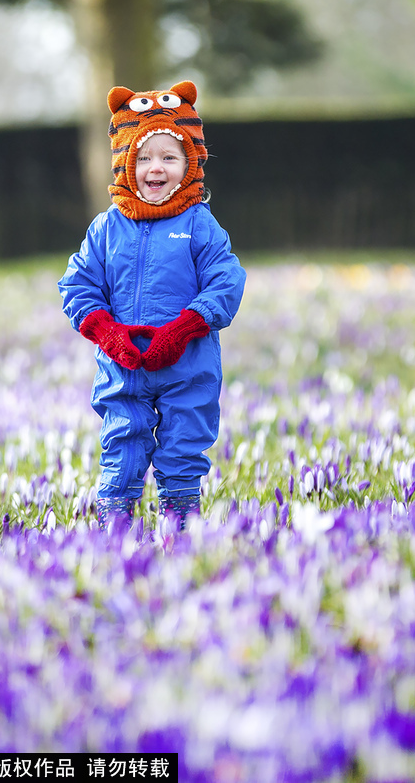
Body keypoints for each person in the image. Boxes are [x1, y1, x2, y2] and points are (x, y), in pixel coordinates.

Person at [58, 81, 246, 531]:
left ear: (190, 163)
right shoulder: (107, 228)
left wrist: (184, 328)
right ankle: (116, 519)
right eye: (143, 158)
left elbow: (226, 279)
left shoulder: (200, 223)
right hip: (124, 365)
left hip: (189, 362)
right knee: (122, 437)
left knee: (185, 439)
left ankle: (180, 514)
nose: (155, 168)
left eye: (169, 157)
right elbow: (77, 284)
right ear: (125, 163)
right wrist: (106, 332)